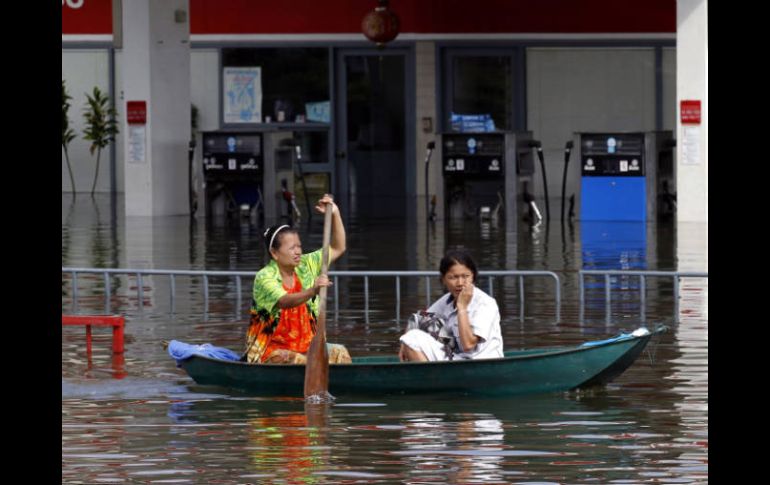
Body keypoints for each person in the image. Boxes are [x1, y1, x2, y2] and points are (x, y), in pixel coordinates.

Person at [245, 194, 351, 364]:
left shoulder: (306, 264)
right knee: (293, 359)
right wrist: (313, 291)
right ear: (274, 253)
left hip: (309, 348)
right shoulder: (264, 277)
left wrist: (335, 213)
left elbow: (339, 246)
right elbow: (284, 301)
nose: (298, 252)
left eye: (299, 246)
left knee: (340, 353)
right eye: (292, 248)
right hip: (271, 352)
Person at [399, 249, 503, 362]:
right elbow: (420, 319)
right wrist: (404, 344)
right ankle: (432, 378)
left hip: (483, 362)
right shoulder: (447, 300)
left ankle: (432, 379)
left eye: (465, 276)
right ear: (443, 279)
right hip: (458, 359)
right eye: (453, 277)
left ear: (473, 276)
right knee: (412, 336)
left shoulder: (485, 303)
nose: (460, 283)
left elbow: (468, 345)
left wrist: (462, 308)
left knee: (412, 339)